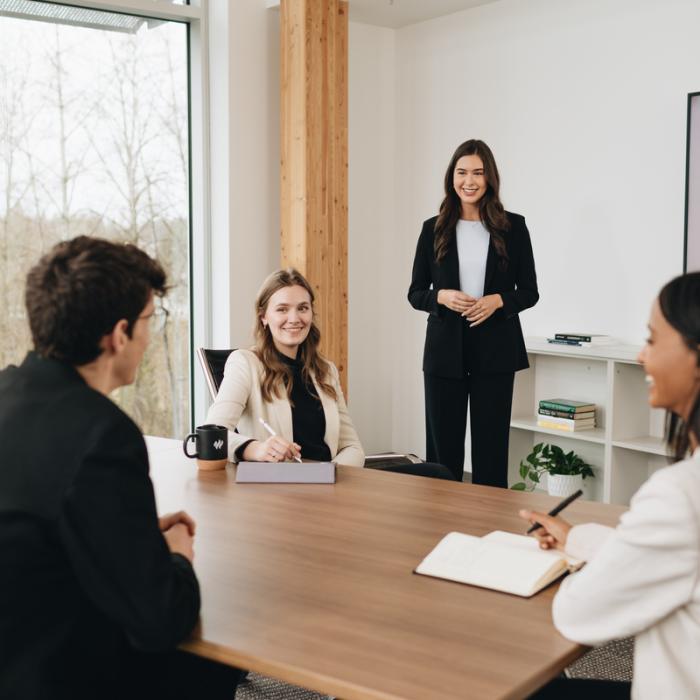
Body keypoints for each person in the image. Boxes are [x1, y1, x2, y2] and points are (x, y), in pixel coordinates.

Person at [0, 237, 240, 700]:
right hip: (52, 674)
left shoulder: (7, 393)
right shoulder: (103, 434)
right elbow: (162, 619)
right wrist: (175, 555)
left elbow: (31, 523)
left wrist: (130, 534)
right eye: (151, 320)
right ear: (119, 333)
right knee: (212, 662)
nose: (151, 337)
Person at [522, 272, 700, 700]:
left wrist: (584, 567)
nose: (641, 356)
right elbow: (674, 558)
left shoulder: (680, 494)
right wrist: (579, 538)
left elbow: (578, 613)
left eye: (653, 340)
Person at [207, 268, 454, 480]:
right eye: (282, 309)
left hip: (334, 481)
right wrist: (256, 449)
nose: (294, 318)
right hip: (283, 489)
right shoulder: (245, 363)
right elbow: (211, 434)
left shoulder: (325, 371)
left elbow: (352, 446)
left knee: (437, 474)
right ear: (263, 317)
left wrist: (328, 474)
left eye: (302, 308)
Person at [408, 139, 539, 485]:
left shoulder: (514, 227)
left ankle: (489, 529)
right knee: (442, 456)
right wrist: (442, 297)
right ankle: (441, 525)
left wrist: (498, 301)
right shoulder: (431, 228)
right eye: (462, 172)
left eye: (478, 173)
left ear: (489, 178)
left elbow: (529, 292)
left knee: (492, 451)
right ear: (452, 177)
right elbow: (415, 293)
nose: (470, 180)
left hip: (495, 351)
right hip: (443, 353)